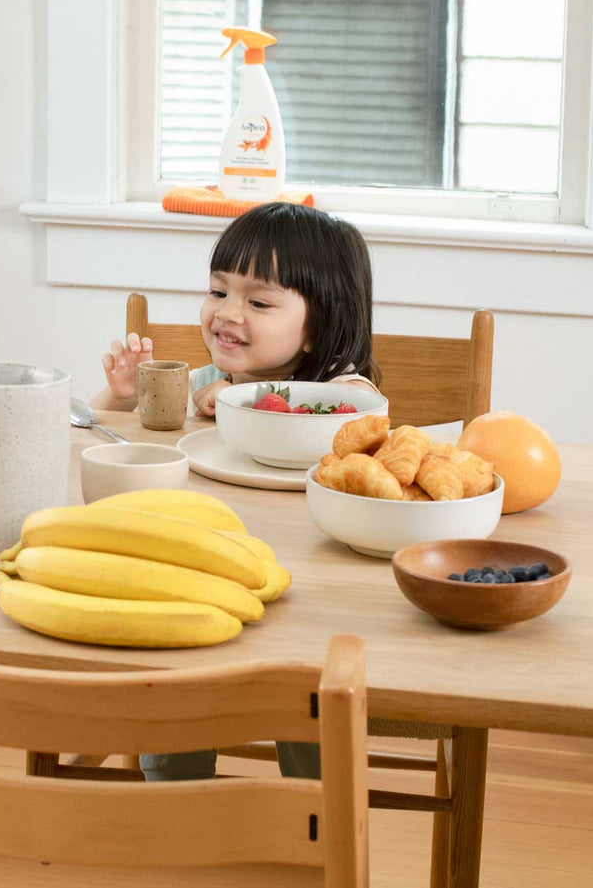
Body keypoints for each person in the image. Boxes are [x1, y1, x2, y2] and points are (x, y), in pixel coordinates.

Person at [91, 201, 380, 782]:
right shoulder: (196, 382)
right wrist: (121, 400)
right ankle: (175, 797)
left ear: (319, 325)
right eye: (217, 291)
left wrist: (246, 403)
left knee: (305, 698)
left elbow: (354, 421)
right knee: (173, 672)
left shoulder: (341, 394)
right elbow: (98, 436)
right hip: (200, 574)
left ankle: (315, 810)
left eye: (258, 301)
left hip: (308, 593)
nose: (226, 313)